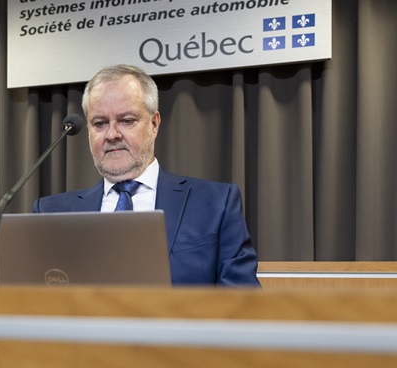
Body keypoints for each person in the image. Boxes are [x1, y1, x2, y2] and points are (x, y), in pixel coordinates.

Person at [33, 64, 260, 286]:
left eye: (127, 121)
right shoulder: (50, 214)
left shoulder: (216, 204)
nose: (112, 134)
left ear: (154, 124)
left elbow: (244, 304)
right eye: (100, 123)